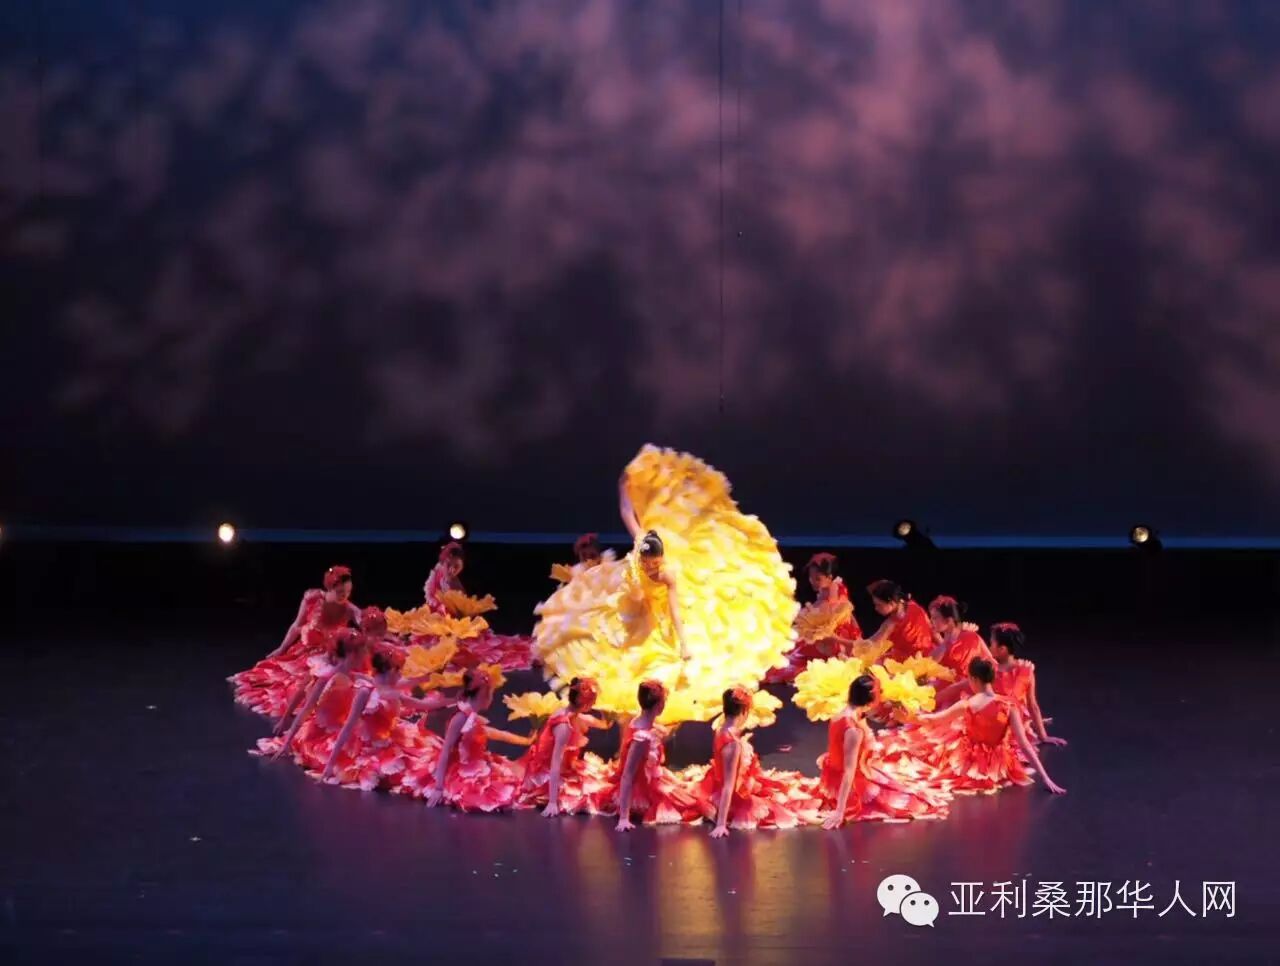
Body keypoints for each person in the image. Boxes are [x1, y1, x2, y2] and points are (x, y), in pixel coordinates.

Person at [533, 445, 799, 724]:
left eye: (655, 563)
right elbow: (626, 511)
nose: (651, 567)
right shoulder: (641, 543)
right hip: (627, 604)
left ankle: (652, 718)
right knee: (592, 635)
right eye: (647, 562)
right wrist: (623, 486)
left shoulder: (666, 574)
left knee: (653, 665)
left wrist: (684, 643)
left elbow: (674, 610)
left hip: (655, 618)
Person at [889, 658, 1067, 796]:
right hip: (999, 763)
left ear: (974, 679)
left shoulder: (967, 704)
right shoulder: (1009, 705)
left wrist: (910, 718)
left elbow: (933, 720)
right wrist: (1045, 778)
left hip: (970, 762)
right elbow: (1024, 744)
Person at [818, 675, 951, 829]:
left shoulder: (842, 714)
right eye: (879, 692)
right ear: (869, 698)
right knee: (913, 801)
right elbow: (849, 771)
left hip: (837, 776)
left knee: (897, 785)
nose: (881, 696)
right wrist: (840, 811)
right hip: (851, 786)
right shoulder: (853, 730)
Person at [229, 565, 361, 717]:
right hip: (304, 653)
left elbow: (364, 623)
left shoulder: (350, 609)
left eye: (348, 592)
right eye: (341, 592)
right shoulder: (313, 599)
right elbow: (296, 626)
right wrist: (282, 648)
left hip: (328, 656)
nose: (345, 596)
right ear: (331, 587)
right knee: (288, 682)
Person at [696, 687, 824, 836]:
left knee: (772, 788)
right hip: (735, 796)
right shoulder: (732, 744)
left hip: (724, 785)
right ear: (744, 711)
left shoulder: (721, 730)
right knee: (779, 803)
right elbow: (728, 785)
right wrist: (721, 824)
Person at [416, 668, 531, 811]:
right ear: (480, 693)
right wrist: (438, 788)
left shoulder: (471, 716)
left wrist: (524, 741)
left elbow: (494, 733)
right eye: (489, 693)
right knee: (488, 794)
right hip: (461, 768)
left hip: (476, 763)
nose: (491, 697)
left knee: (508, 781)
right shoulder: (461, 717)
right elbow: (446, 751)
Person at [610, 680, 700, 829]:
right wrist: (624, 818)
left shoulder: (642, 721)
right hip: (643, 786)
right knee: (689, 804)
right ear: (659, 705)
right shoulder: (641, 738)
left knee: (686, 793)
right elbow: (627, 775)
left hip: (651, 776)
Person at [517, 677, 613, 816]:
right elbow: (555, 762)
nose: (594, 705)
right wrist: (552, 802)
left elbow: (603, 724)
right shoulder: (563, 725)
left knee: (602, 782)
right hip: (551, 774)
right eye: (592, 701)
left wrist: (607, 711)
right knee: (592, 792)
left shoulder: (576, 716)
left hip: (567, 767)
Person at [768, 554, 863, 684]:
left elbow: (830, 611)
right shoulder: (828, 588)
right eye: (811, 578)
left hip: (833, 634)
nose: (813, 581)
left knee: (796, 654)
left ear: (829, 577)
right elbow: (819, 607)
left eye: (818, 578)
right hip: (828, 630)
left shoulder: (833, 588)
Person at [989, 623, 1064, 746]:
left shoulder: (1025, 671)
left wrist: (1043, 736)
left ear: (1002, 649)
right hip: (992, 726)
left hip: (1013, 728)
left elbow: (1032, 705)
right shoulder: (989, 669)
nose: (989, 647)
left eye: (991, 643)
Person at [864, 580, 933, 662]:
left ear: (891, 603)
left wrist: (850, 643)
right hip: (928, 657)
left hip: (910, 663)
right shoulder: (913, 605)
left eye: (879, 605)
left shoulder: (891, 624)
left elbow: (871, 644)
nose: (876, 608)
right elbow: (931, 628)